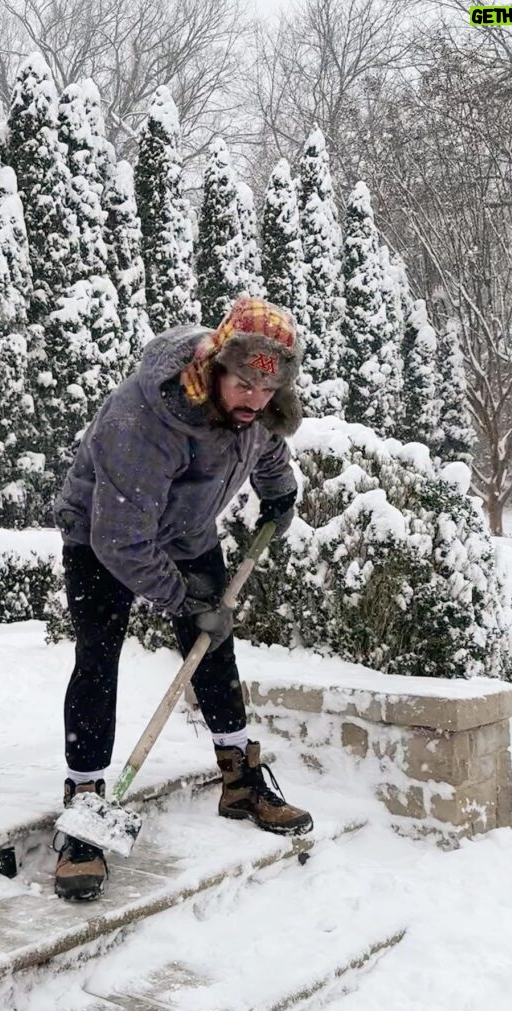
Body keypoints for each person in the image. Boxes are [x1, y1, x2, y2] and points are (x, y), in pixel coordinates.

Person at [52, 296, 313, 900]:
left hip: (186, 530)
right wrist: (184, 600)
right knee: (99, 658)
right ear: (217, 367)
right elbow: (119, 539)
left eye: (266, 390)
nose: (253, 397)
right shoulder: (143, 420)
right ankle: (85, 803)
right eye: (243, 383)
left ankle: (241, 779)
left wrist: (279, 493)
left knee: (214, 645)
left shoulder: (256, 411)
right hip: (99, 533)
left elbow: (266, 446)